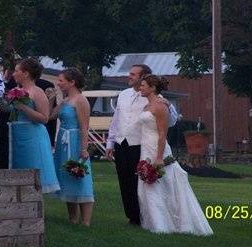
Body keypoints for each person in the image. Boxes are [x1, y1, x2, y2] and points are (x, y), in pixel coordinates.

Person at [137, 75, 213, 235]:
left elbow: (162, 134)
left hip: (157, 148)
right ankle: (154, 223)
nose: (140, 88)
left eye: (143, 85)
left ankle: (167, 224)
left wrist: (158, 157)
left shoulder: (160, 106)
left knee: (162, 183)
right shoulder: (147, 106)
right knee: (147, 185)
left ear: (152, 88)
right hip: (146, 148)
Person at [105, 64, 178, 226]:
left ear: (143, 77)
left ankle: (144, 216)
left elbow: (171, 122)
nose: (128, 76)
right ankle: (132, 217)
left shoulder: (154, 98)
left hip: (139, 144)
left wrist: (168, 105)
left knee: (140, 182)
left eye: (133, 74)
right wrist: (110, 143)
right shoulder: (123, 94)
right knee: (124, 181)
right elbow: (116, 120)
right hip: (121, 144)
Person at [9, 58, 60, 193]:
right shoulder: (15, 90)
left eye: (16, 71)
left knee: (33, 170)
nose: (13, 74)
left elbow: (44, 118)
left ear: (25, 74)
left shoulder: (37, 92)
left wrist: (23, 107)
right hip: (16, 135)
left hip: (33, 136)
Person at [51, 68, 94, 226]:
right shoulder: (65, 101)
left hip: (75, 140)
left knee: (80, 175)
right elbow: (50, 116)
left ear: (72, 82)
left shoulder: (80, 100)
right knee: (67, 176)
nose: (58, 83)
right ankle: (73, 219)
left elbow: (84, 127)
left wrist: (83, 149)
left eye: (61, 80)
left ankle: (86, 221)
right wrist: (51, 99)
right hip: (63, 140)